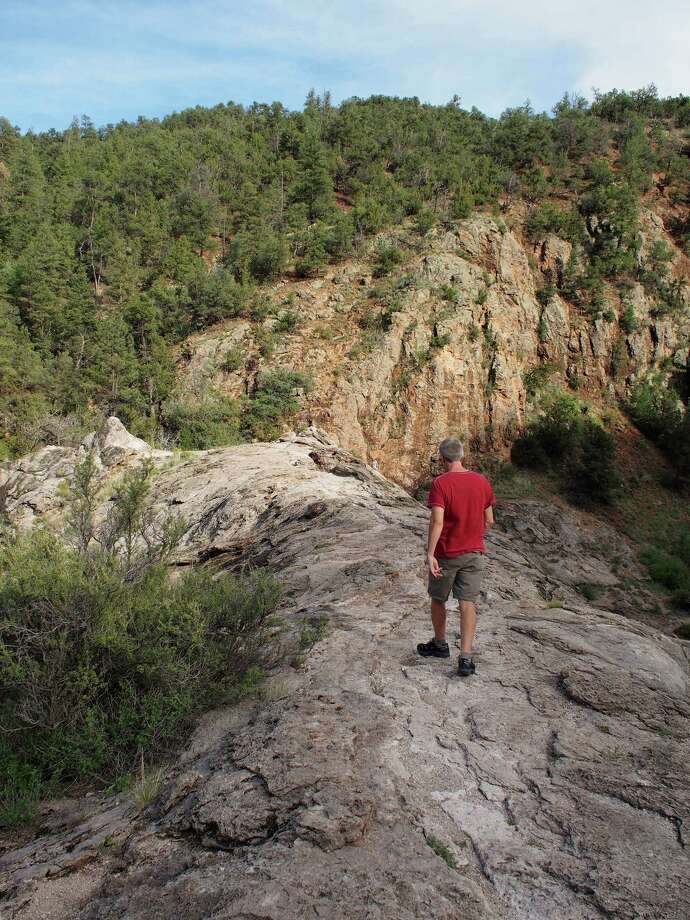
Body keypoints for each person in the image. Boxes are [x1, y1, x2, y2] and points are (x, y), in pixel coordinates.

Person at [417, 437, 495, 676]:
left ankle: (440, 645)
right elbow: (489, 520)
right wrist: (472, 535)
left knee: (438, 598)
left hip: (447, 554)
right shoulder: (481, 481)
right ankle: (466, 658)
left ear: (442, 458)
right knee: (467, 603)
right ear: (462, 456)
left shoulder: (441, 483)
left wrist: (430, 554)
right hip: (474, 553)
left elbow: (437, 520)